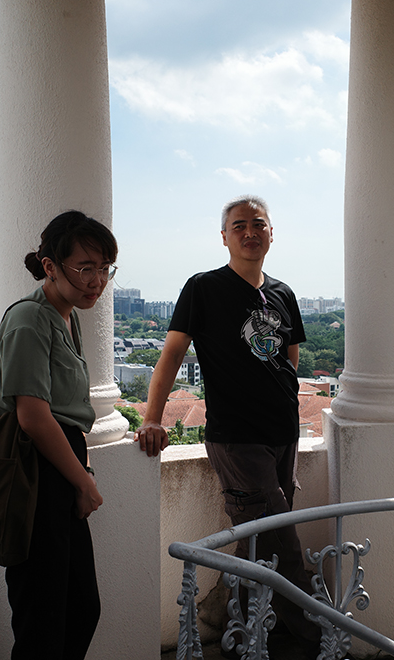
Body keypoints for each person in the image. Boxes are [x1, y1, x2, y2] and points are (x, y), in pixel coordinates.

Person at [135, 196, 321, 656]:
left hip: (283, 433)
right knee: (285, 540)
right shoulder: (204, 288)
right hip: (236, 437)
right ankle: (318, 637)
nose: (249, 232)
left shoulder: (283, 293)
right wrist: (153, 418)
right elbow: (172, 355)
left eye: (259, 224)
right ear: (224, 237)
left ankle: (236, 628)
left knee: (259, 540)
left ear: (272, 234)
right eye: (239, 225)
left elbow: (288, 357)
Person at [0, 211, 115, 660]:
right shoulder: (29, 320)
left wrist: (79, 474)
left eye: (104, 269)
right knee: (42, 621)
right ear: (50, 266)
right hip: (33, 474)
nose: (96, 281)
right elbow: (34, 417)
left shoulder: (65, 316)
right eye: (85, 268)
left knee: (79, 609)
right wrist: (84, 481)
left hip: (59, 466)